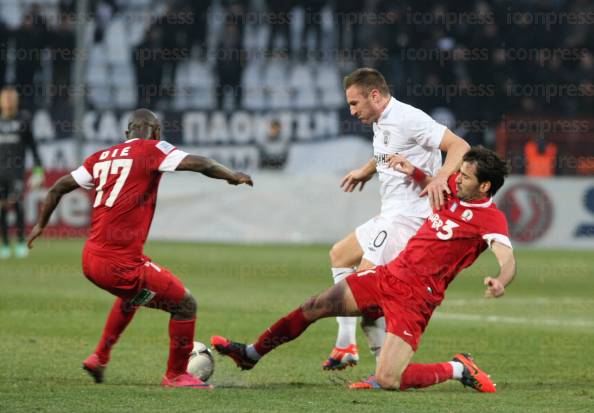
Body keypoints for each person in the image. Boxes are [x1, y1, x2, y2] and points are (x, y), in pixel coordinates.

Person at [212, 147, 515, 392]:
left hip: (416, 298)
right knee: (314, 306)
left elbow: (508, 259)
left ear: (484, 186)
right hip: (388, 275)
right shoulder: (453, 187)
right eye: (459, 172)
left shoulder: (491, 220)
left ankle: (458, 368)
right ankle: (250, 354)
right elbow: (435, 187)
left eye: (464, 176)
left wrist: (500, 281)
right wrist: (417, 173)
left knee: (388, 380)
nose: (457, 178)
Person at [27, 109, 253, 389]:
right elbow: (201, 163)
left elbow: (57, 188)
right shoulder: (153, 148)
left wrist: (40, 224)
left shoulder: (100, 157)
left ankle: (99, 357)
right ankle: (176, 375)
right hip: (120, 265)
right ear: (157, 133)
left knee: (132, 297)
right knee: (185, 305)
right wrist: (232, 175)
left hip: (91, 260)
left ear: (126, 134)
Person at [323, 68, 469, 370]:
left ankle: (363, 355)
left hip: (408, 219)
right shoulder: (381, 120)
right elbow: (387, 153)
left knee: (363, 291)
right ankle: (353, 349)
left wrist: (441, 178)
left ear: (374, 95)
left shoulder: (409, 118)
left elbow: (459, 146)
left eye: (354, 104)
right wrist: (368, 168)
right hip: (390, 214)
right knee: (340, 255)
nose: (352, 111)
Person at [0, 87, 44, 259]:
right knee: (2, 208)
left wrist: (38, 171)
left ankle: (19, 242)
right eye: (6, 99)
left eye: (12, 99)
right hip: (0, 173)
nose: (9, 102)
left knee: (17, 205)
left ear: (16, 101)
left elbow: (33, 148)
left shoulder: (23, 120)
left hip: (16, 172)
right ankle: (4, 244)